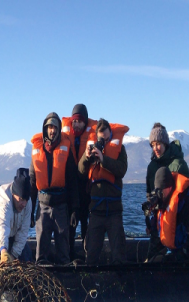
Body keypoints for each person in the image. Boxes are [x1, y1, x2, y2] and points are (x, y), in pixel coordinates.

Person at [29, 112, 79, 264]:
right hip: (42, 206)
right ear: (45, 129)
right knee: (41, 251)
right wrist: (30, 211)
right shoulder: (36, 150)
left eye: (55, 127)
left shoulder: (66, 149)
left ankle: (65, 280)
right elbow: (32, 181)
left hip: (61, 207)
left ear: (59, 129)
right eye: (49, 127)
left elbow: (72, 181)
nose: (52, 130)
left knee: (63, 251)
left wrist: (74, 209)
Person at [78, 118, 129, 265]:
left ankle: (121, 282)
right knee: (91, 255)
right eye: (102, 138)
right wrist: (87, 158)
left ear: (111, 134)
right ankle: (91, 284)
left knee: (119, 255)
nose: (104, 141)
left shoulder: (120, 149)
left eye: (107, 138)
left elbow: (121, 170)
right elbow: (81, 172)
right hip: (96, 211)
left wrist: (103, 159)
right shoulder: (91, 148)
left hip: (114, 211)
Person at [62, 104, 97, 259]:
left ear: (85, 123)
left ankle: (87, 253)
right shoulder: (66, 137)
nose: (76, 124)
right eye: (74, 121)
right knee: (71, 222)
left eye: (80, 121)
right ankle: (69, 253)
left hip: (85, 187)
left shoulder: (92, 139)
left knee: (85, 222)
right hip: (70, 187)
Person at [146, 167, 189, 262]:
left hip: (188, 257)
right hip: (171, 250)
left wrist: (174, 257)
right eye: (157, 191)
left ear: (170, 187)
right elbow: (157, 237)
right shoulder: (162, 204)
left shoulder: (188, 203)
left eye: (162, 191)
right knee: (152, 262)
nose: (159, 195)